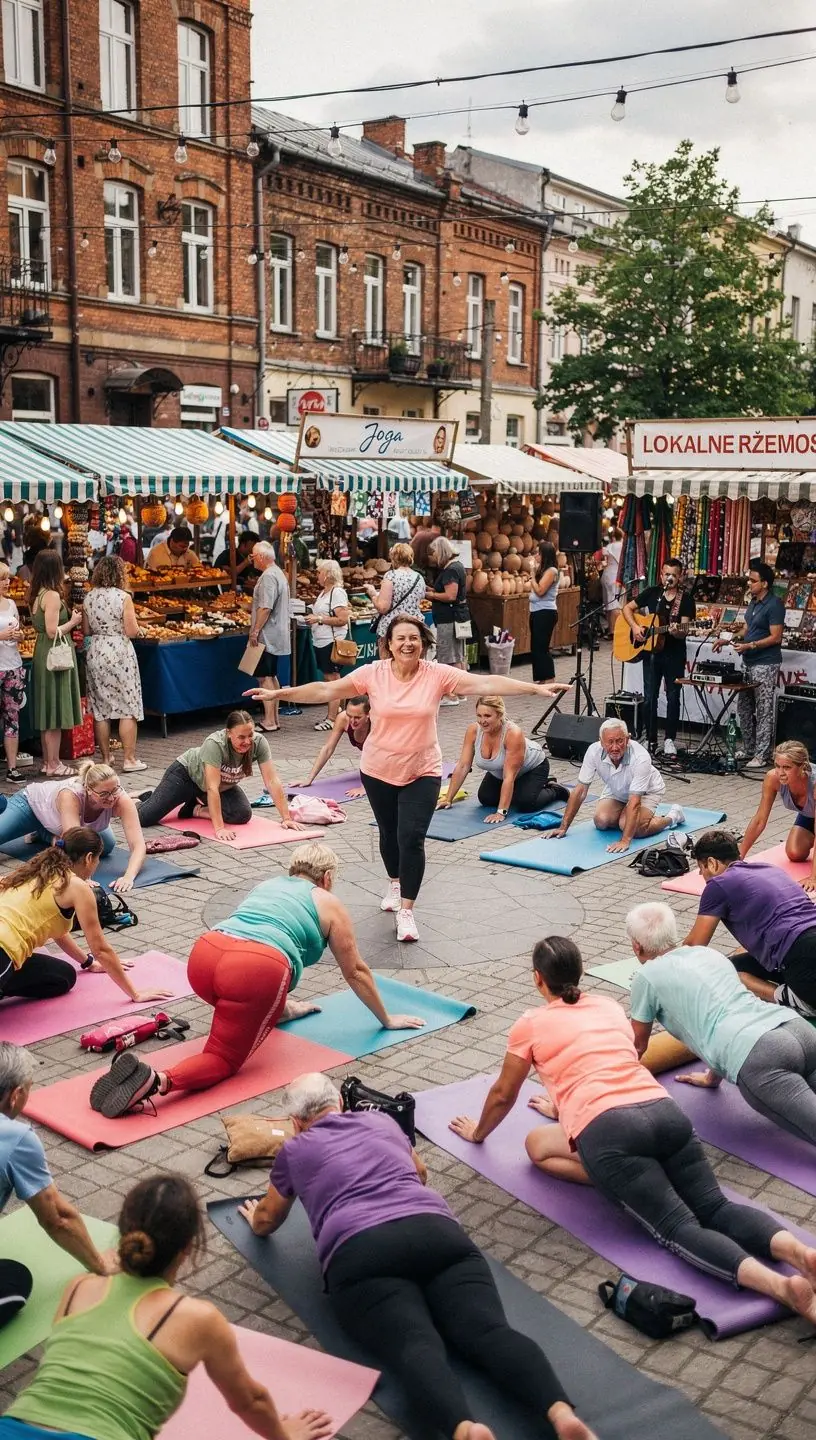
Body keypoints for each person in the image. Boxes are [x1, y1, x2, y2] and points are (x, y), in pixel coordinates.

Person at [450, 936, 816, 1325]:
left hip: (610, 1134)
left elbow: (504, 1093)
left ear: (538, 979)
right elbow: (611, 1062)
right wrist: (562, 1104)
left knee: (678, 1227)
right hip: (664, 1112)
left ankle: (781, 1289)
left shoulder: (531, 1023)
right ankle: (800, 1254)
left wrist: (479, 1132)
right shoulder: (608, 1007)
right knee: (716, 1207)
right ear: (579, 971)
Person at [239, 1073, 596, 1440]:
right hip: (436, 1232)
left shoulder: (294, 1150)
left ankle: (464, 1428)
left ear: (296, 1123)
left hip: (361, 1250)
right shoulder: (380, 1120)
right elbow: (420, 1173)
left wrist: (256, 1220)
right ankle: (559, 1412)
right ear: (341, 1104)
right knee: (489, 1331)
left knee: (414, 1343)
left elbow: (270, 1218)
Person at [245, 614, 567, 942]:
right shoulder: (373, 674)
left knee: (411, 838)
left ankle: (407, 911)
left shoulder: (436, 674)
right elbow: (326, 688)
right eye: (400, 638)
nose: (407, 644)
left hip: (422, 770)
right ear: (389, 644)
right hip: (378, 770)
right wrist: (279, 694)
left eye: (413, 638)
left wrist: (534, 688)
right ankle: (394, 883)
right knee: (389, 833)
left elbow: (485, 684)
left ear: (423, 644)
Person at [90, 842, 424, 1117]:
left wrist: (285, 1009)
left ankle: (272, 1010)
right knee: (222, 1058)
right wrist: (386, 1018)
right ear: (326, 878)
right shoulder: (329, 903)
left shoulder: (268, 884)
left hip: (205, 958)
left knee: (252, 1002)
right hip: (252, 972)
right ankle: (157, 1081)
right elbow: (355, 971)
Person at [0, 1171, 332, 1440]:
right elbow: (249, 1400)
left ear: (126, 1233)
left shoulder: (79, 1287)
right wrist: (285, 1435)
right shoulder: (198, 1318)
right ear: (187, 1249)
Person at [625, 901, 816, 1147]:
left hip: (759, 1055)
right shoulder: (708, 953)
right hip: (796, 1029)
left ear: (637, 946)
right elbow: (721, 1010)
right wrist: (712, 1077)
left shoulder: (646, 977)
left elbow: (637, 1046)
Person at [0, 1042, 112, 1329]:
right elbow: (58, 1219)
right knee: (15, 1280)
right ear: (15, 1096)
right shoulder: (15, 1138)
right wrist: (101, 1265)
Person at [0, 827, 170, 1007]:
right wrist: (135, 994)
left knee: (62, 977)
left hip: (8, 950)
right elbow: (101, 949)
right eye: (98, 859)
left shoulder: (38, 869)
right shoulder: (77, 887)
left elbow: (56, 929)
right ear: (89, 858)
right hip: (3, 948)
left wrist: (88, 962)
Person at [685, 828, 816, 1015]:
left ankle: (788, 997)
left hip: (800, 954)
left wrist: (661, 962)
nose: (703, 876)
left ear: (712, 863)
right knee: (732, 965)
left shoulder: (718, 884)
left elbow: (694, 946)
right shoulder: (768, 868)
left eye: (702, 869)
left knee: (726, 975)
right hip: (802, 945)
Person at [136, 711, 296, 843]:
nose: (247, 741)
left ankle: (193, 808)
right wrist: (219, 828)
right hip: (185, 777)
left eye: (250, 735)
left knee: (242, 814)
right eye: (241, 737)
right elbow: (212, 787)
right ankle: (146, 797)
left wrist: (286, 818)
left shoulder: (259, 743)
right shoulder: (215, 743)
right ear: (228, 733)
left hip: (218, 786)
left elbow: (272, 780)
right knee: (145, 818)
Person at [0, 761, 146, 891]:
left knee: (106, 845)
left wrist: (128, 877)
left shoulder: (121, 799)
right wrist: (84, 877)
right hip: (30, 806)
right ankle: (39, 827)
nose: (111, 798)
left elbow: (138, 845)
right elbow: (74, 846)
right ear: (88, 789)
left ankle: (45, 833)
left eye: (115, 790)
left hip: (59, 820)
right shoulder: (70, 795)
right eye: (104, 794)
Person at [547, 717, 684, 853]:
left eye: (619, 741)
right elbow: (580, 791)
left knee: (634, 829)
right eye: (610, 742)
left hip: (647, 791)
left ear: (628, 739)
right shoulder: (593, 751)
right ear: (601, 742)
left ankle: (671, 817)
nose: (615, 747)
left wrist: (625, 840)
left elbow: (635, 802)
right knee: (601, 821)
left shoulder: (641, 757)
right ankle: (630, 817)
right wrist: (563, 827)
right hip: (617, 788)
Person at [440, 695, 569, 823]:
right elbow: (463, 766)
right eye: (479, 715)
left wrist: (501, 812)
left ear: (499, 715)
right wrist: (448, 798)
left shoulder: (512, 733)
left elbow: (509, 777)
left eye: (487, 716)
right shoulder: (473, 730)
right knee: (486, 799)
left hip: (533, 767)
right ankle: (521, 789)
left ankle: (554, 789)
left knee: (526, 803)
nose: (482, 721)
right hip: (501, 770)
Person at [713, 559, 784, 769]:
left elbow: (776, 637)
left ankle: (762, 754)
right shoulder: (753, 602)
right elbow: (747, 628)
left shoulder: (774, 605)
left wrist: (751, 645)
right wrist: (729, 638)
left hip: (765, 663)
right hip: (748, 660)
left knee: (763, 709)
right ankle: (750, 747)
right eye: (749, 580)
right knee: (744, 707)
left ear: (765, 584)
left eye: (753, 581)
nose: (749, 584)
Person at [621, 557, 695, 758]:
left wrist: (676, 630)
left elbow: (684, 630)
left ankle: (669, 739)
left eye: (673, 575)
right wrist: (636, 627)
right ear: (661, 574)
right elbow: (627, 608)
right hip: (651, 653)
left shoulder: (686, 600)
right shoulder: (653, 593)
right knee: (649, 696)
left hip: (674, 654)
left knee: (673, 696)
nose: (669, 577)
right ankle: (650, 738)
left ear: (679, 577)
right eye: (666, 574)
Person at [82, 555, 146, 773]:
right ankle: (129, 759)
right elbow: (131, 630)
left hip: (96, 651)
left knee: (101, 710)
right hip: (119, 652)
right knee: (127, 707)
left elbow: (86, 631)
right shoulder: (123, 597)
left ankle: (107, 758)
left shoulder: (88, 598)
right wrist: (140, 630)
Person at [28, 549, 82, 778]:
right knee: (55, 711)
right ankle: (54, 763)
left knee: (47, 709)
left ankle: (48, 762)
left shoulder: (36, 593)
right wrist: (73, 621)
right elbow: (52, 631)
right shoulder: (51, 595)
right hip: (54, 656)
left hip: (42, 653)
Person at [741, 740, 816, 889]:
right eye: (777, 766)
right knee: (794, 853)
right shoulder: (772, 778)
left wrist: (813, 878)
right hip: (810, 814)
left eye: (787, 767)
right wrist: (738, 857)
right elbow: (759, 820)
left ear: (802, 767)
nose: (781, 772)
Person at [290, 695, 370, 798]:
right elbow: (328, 748)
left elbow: (375, 757)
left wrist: (365, 787)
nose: (352, 721)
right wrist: (309, 779)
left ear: (368, 715)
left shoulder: (377, 722)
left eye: (358, 717)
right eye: (350, 715)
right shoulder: (343, 718)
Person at [303, 559, 351, 731]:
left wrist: (319, 619)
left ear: (328, 574)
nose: (317, 575)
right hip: (321, 640)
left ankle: (332, 719)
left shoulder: (337, 593)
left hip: (332, 641)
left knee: (332, 679)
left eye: (319, 572)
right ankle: (339, 713)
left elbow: (343, 619)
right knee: (330, 678)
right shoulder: (324, 592)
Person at [249, 541, 291, 734]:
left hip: (267, 634)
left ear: (261, 557)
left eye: (253, 556)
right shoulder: (278, 573)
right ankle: (274, 719)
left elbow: (265, 607)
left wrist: (255, 631)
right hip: (276, 632)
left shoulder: (267, 577)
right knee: (271, 676)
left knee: (264, 677)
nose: (251, 560)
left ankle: (269, 720)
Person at [365, 541, 425, 658]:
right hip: (413, 627)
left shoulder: (391, 575)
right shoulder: (419, 577)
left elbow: (383, 607)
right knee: (410, 664)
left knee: (388, 666)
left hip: (392, 628)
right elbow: (420, 599)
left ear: (394, 558)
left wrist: (373, 594)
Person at [426, 536, 468, 682]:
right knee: (457, 655)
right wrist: (432, 590)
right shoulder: (457, 566)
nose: (433, 558)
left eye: (434, 554)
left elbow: (450, 595)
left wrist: (431, 595)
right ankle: (461, 691)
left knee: (450, 657)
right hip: (458, 616)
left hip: (449, 618)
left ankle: (453, 693)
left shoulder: (451, 570)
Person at [0, 562, 26, 781]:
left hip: (13, 665)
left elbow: (20, 631)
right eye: (2, 579)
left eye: (7, 578)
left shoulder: (11, 604)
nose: (7, 583)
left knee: (12, 717)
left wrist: (19, 636)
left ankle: (12, 767)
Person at [529, 540, 560, 684]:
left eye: (538, 553)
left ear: (544, 555)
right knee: (536, 646)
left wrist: (532, 574)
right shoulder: (543, 570)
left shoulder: (552, 571)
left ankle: (550, 677)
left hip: (545, 612)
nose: (535, 556)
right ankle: (540, 677)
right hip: (536, 611)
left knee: (542, 646)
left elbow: (540, 591)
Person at [599, 527, 623, 636]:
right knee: (615, 604)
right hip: (616, 576)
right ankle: (614, 631)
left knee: (608, 603)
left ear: (613, 537)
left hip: (607, 575)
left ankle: (610, 628)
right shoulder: (624, 546)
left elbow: (603, 555)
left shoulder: (609, 546)